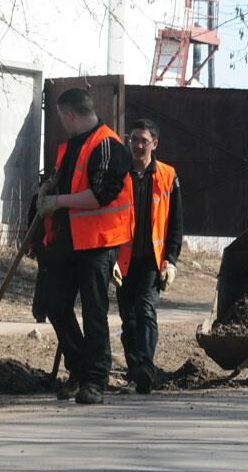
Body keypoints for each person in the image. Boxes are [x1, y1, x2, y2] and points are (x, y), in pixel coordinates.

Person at [37, 88, 131, 404]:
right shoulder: (71, 146)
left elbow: (100, 195)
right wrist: (50, 185)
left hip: (98, 243)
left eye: (62, 117)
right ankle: (78, 367)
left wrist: (57, 201)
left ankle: (95, 379)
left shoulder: (108, 146)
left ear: (70, 114)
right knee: (54, 303)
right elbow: (66, 181)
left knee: (94, 311)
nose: (62, 123)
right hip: (68, 241)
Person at [116, 118, 183, 394]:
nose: (137, 145)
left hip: (152, 261)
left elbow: (176, 223)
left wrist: (172, 261)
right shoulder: (120, 174)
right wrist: (110, 259)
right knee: (127, 318)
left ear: (154, 144)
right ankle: (134, 372)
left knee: (145, 311)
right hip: (123, 259)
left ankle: (144, 368)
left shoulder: (167, 176)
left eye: (143, 141)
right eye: (133, 139)